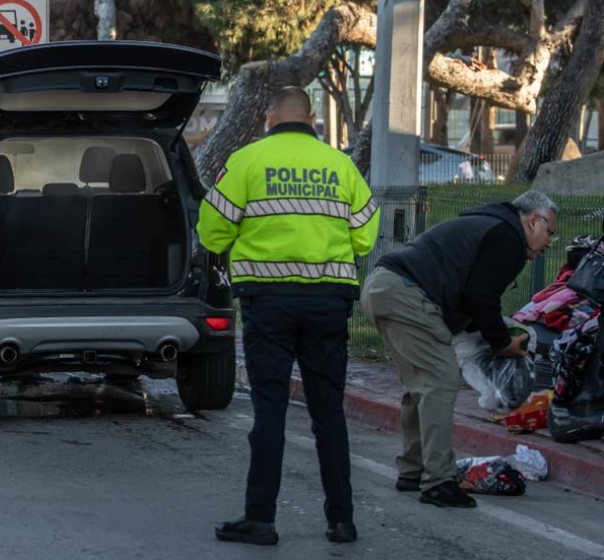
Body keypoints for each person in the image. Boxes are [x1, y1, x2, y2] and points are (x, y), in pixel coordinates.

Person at [197, 87, 379, 546]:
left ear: (269, 117)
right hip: (328, 303)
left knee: (270, 411)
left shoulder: (247, 162)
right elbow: (365, 234)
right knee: (328, 414)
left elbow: (212, 232)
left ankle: (260, 518)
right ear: (312, 117)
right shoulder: (340, 165)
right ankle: (342, 520)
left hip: (269, 304)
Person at [362, 190, 552, 508]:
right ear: (533, 221)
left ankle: (413, 470)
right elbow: (480, 296)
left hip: (384, 288)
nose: (550, 242)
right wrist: (503, 343)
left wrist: (492, 334)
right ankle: (438, 482)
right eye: (549, 231)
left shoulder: (488, 224)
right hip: (406, 295)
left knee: (420, 385)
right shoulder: (509, 237)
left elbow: (468, 296)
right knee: (439, 382)